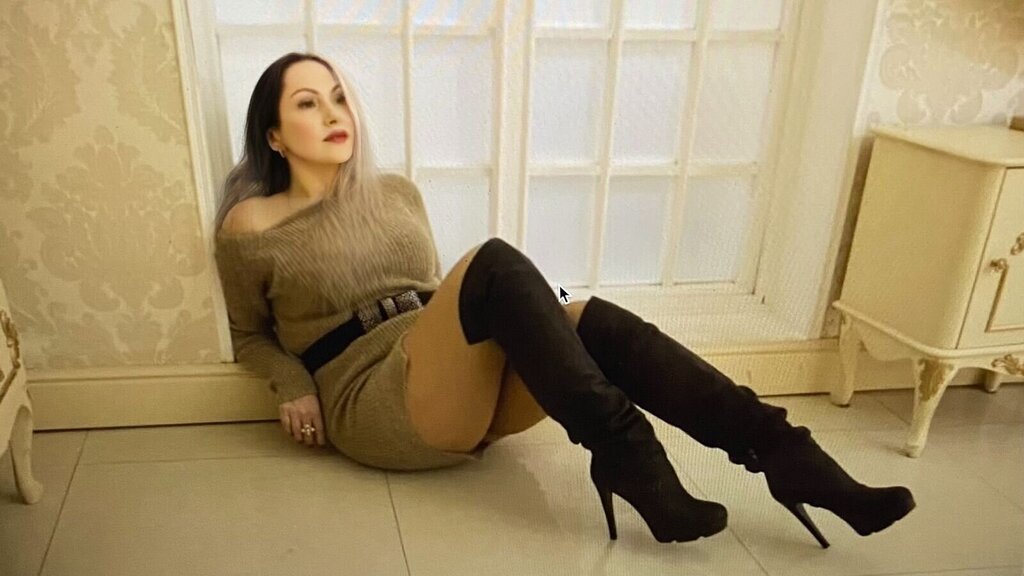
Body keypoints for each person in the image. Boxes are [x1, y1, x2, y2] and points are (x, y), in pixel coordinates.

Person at [213, 52, 916, 547]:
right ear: (274, 134)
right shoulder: (251, 225)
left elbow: (433, 301)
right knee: (493, 261)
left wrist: (548, 314)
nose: (334, 113)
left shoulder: (395, 194)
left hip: (438, 370)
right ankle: (630, 455)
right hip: (373, 400)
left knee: (588, 319)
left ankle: (787, 454)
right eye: (308, 103)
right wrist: (292, 383)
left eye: (339, 96)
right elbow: (250, 335)